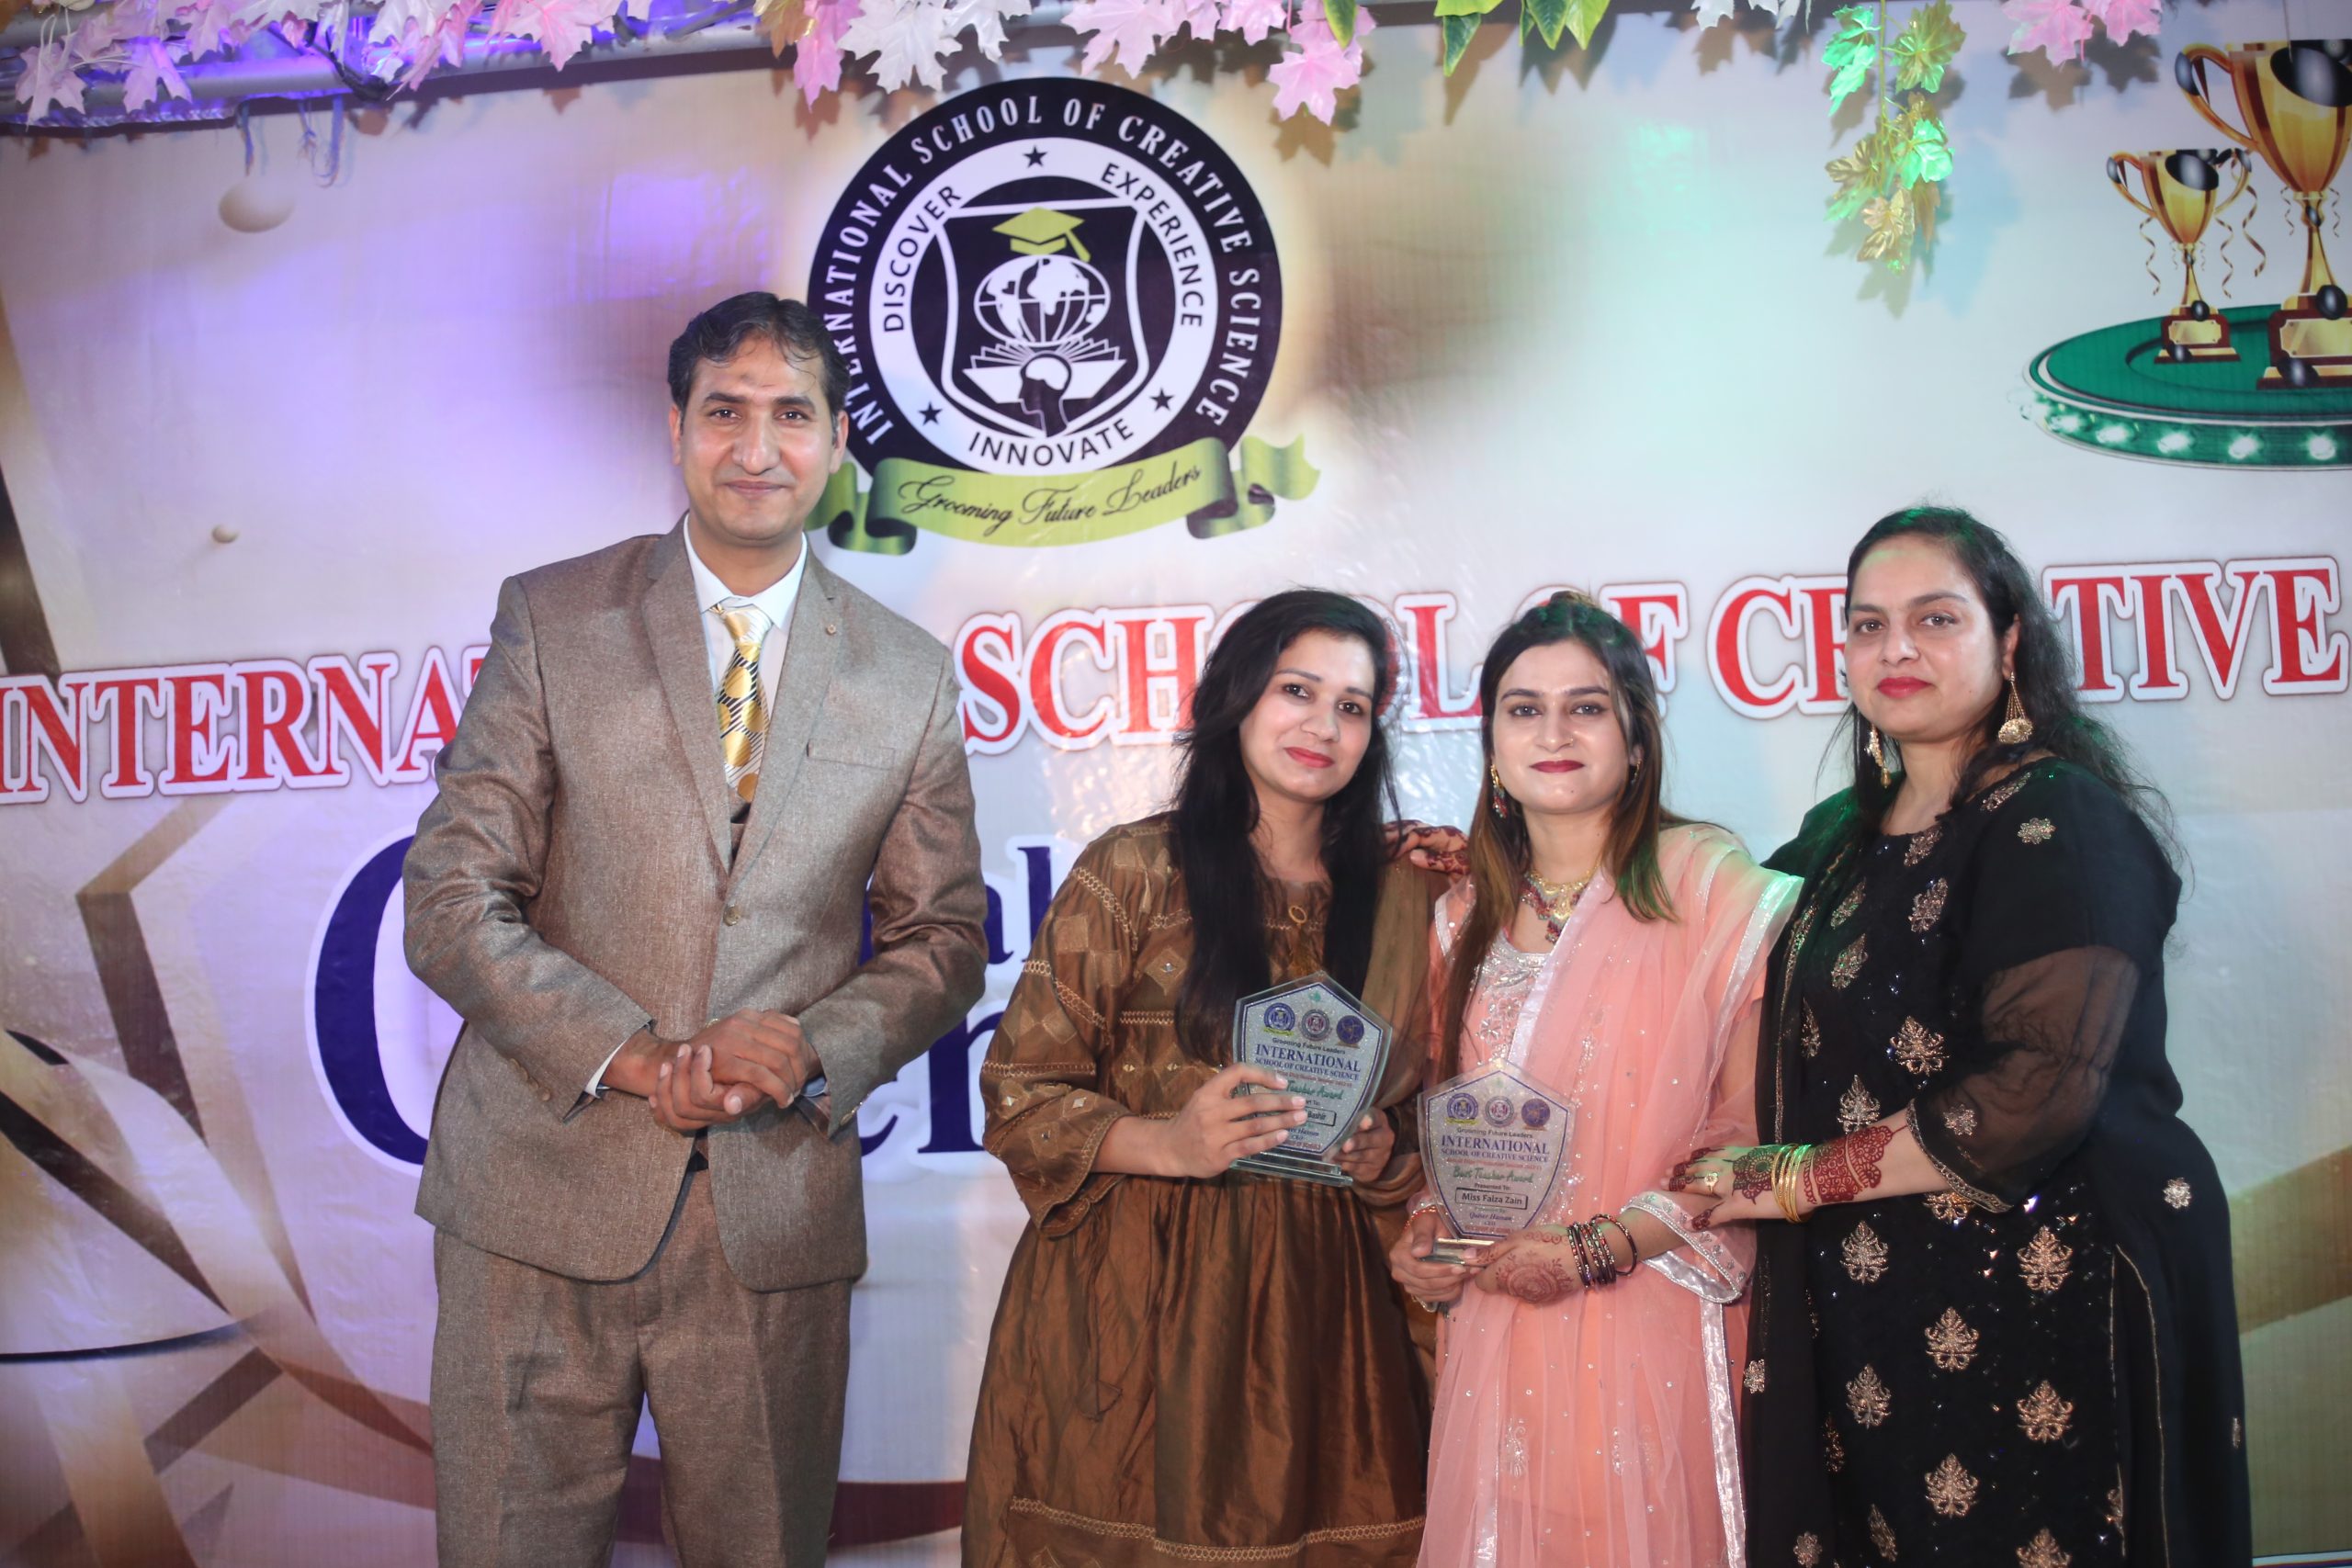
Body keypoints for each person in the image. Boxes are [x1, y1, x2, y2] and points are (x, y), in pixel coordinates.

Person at [403, 292, 987, 1568]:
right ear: (676, 430)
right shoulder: (554, 617)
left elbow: (944, 936)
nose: (757, 448)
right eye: (725, 411)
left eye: (792, 415)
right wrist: (636, 1054)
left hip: (770, 1213)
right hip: (535, 1197)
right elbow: (450, 895)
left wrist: (812, 1041)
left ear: (837, 442)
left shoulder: (905, 672)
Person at [1671, 508, 2251, 1568]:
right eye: (1868, 625)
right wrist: (1510, 856)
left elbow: (2036, 1088)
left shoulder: (2060, 821)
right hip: (1870, 1300)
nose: (1896, 648)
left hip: (2048, 1282)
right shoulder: (1836, 839)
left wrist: (1792, 1179)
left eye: (1935, 619)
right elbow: (1694, 937)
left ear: (2009, 640)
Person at [963, 590, 1442, 1568]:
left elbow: (1441, 1114)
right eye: (1297, 690)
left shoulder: (1404, 895)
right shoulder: (1135, 867)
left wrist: (1383, 1150)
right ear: (1236, 697)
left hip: (1330, 1321)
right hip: (1137, 1308)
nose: (1324, 725)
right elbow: (1019, 1090)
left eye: (1352, 707)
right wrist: (1170, 1143)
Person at [1387, 592, 1797, 1568]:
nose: (1554, 733)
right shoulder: (1457, 920)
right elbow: (1456, 1135)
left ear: (1637, 738)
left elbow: (1747, 1138)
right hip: (1501, 1325)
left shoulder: (1708, 886)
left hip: (1651, 1305)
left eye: (1586, 707)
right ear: (1491, 745)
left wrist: (1596, 1249)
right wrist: (1427, 1233)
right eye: (1524, 709)